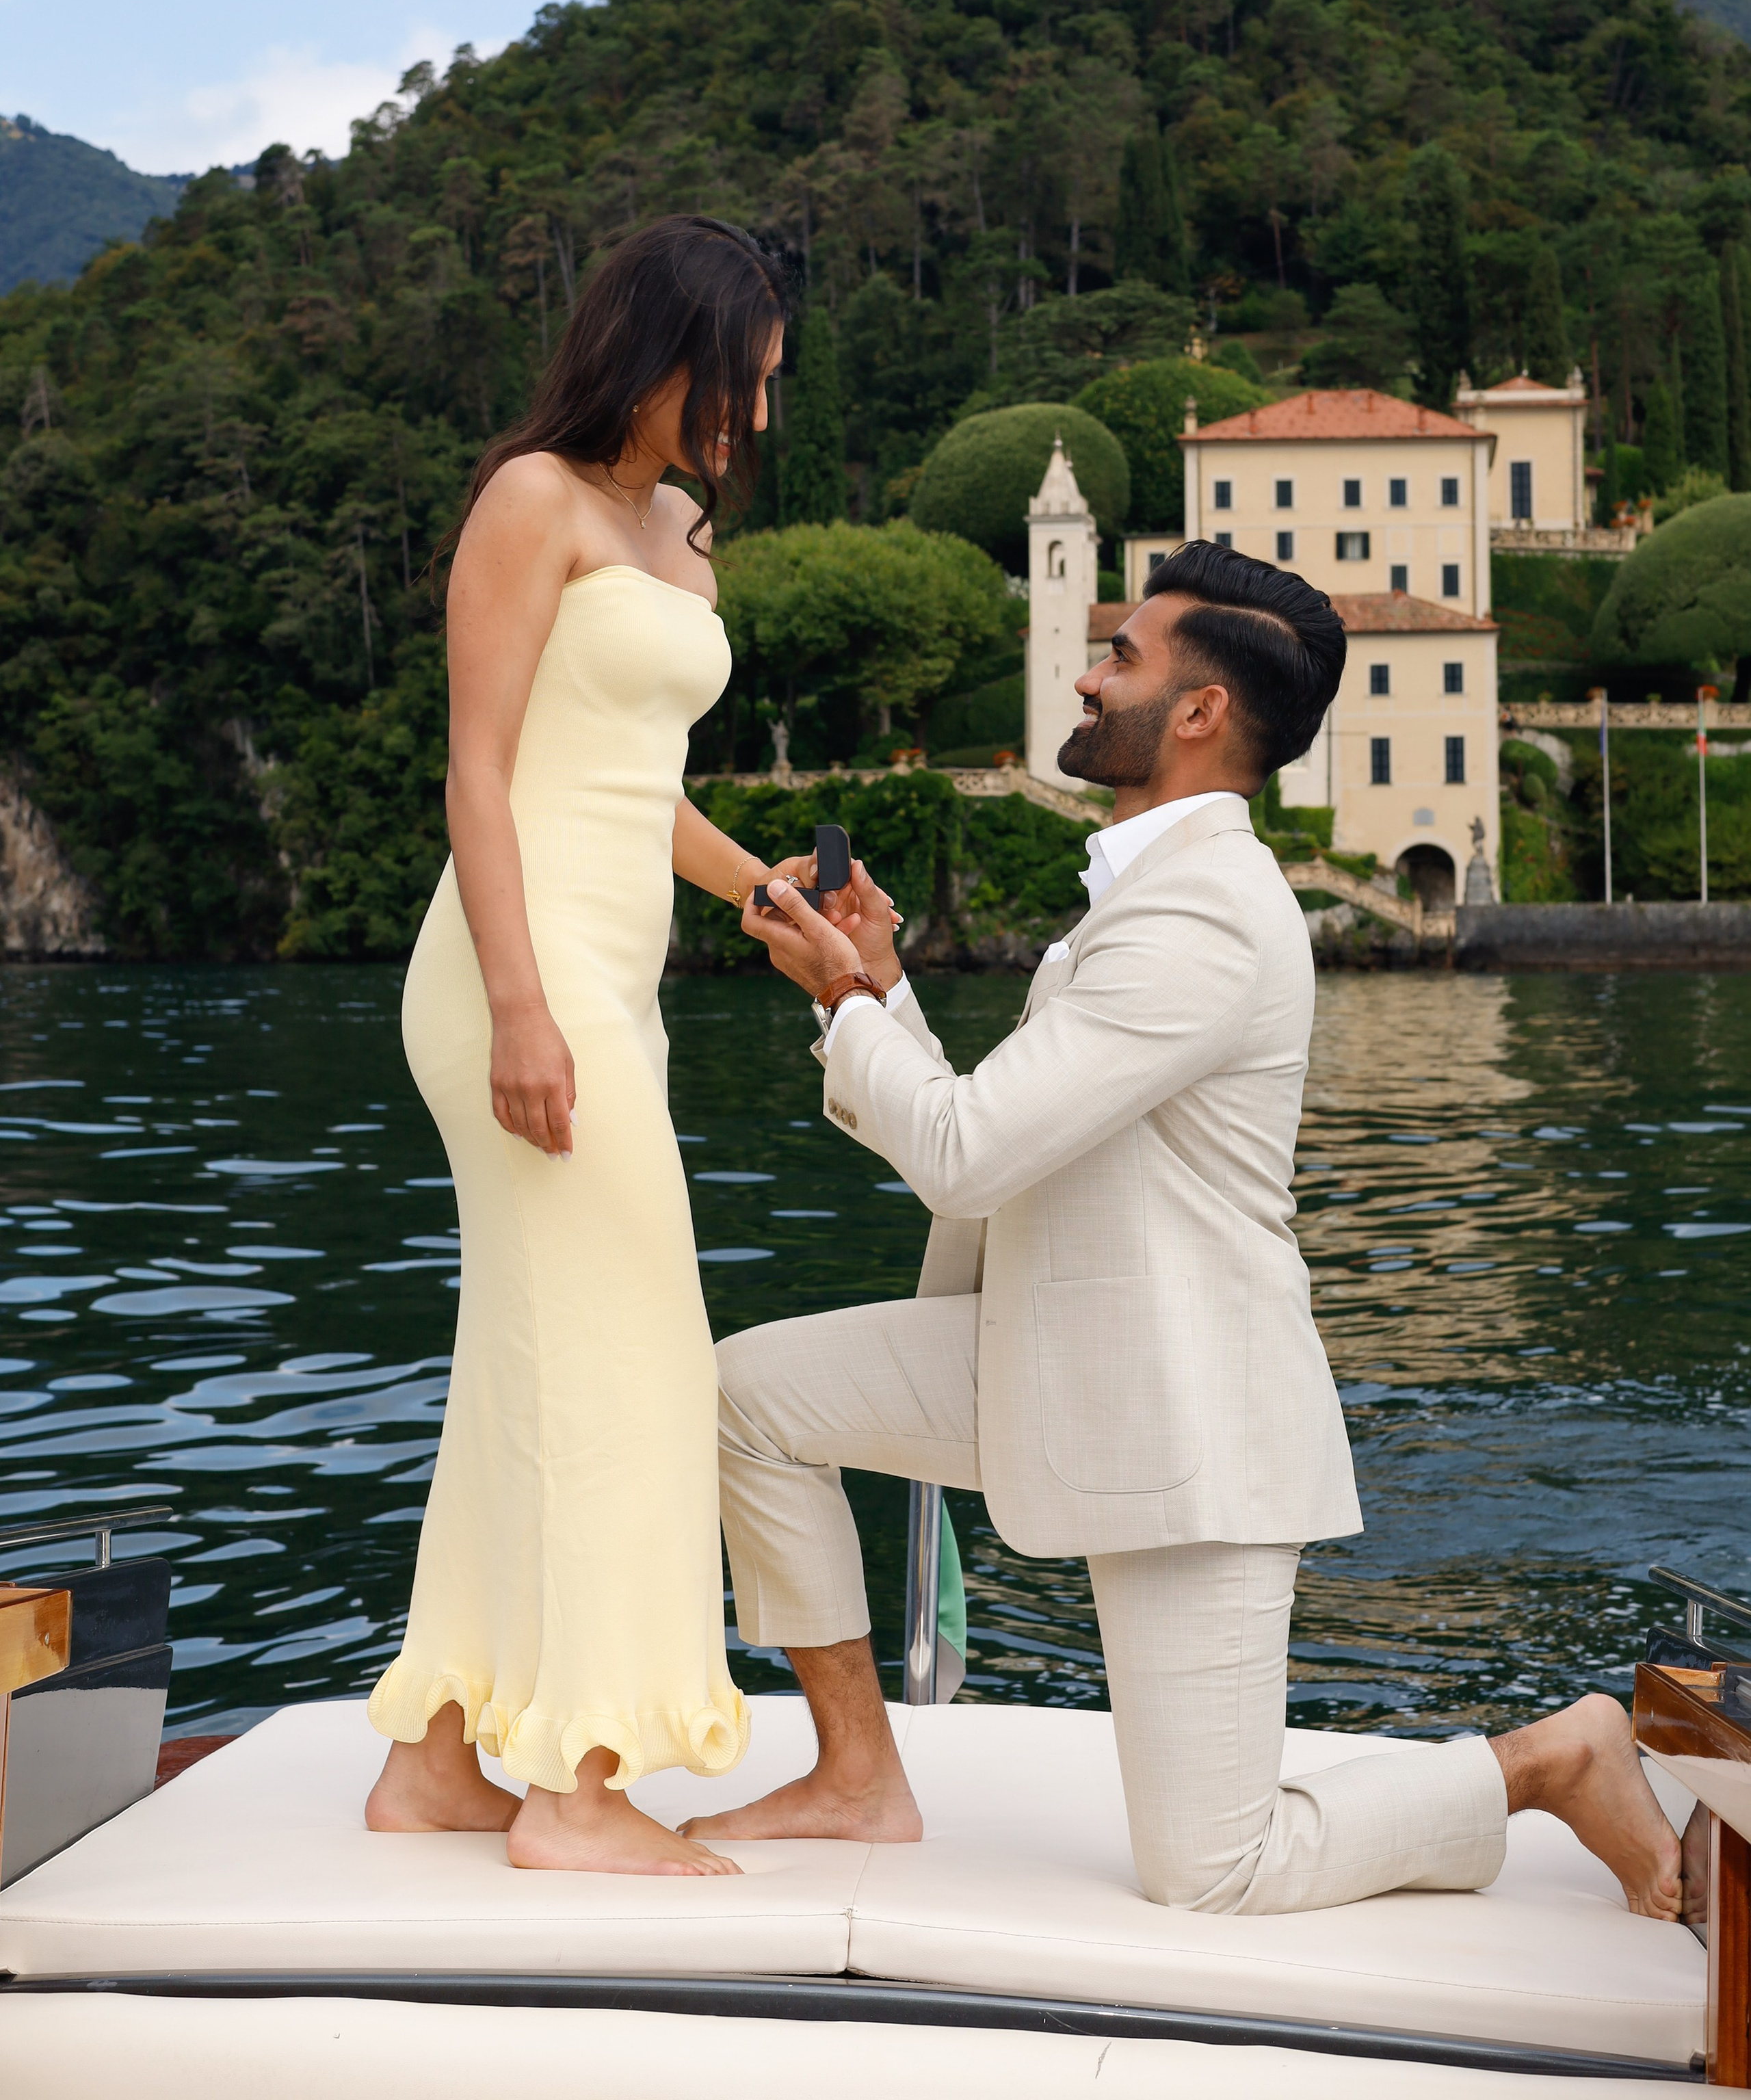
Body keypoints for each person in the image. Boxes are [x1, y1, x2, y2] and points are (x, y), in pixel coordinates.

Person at [682, 542, 1682, 1924]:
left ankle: (1547, 1759)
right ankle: (856, 1772)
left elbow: (965, 1150)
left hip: (1186, 1417)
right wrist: (878, 989)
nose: (1086, 679)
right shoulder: (1150, 897)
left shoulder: (1205, 912)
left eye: (1120, 657)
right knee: (748, 1398)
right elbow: (989, 1155)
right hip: (1055, 1355)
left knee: (1212, 1868)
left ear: (1200, 710)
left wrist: (849, 998)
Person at [365, 214, 803, 1876]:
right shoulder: (530, 501)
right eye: (741, 379)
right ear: (664, 352)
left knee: (527, 1361)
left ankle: (437, 1761)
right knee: (634, 1358)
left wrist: (772, 895)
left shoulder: (673, 524)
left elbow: (636, 786)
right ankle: (582, 1789)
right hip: (514, 980)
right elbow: (480, 773)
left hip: (613, 988)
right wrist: (521, 1007)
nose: (752, 416)